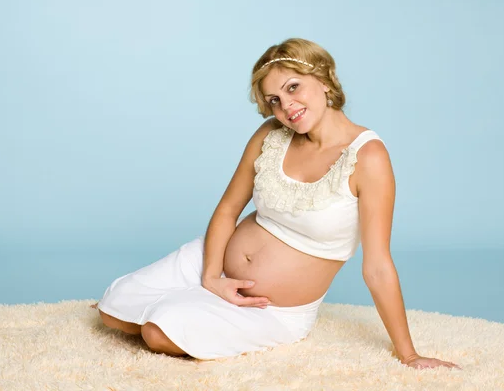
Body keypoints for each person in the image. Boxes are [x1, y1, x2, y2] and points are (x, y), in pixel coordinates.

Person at [92, 38, 460, 370]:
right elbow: (227, 210)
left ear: (325, 80)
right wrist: (211, 277)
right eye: (275, 100)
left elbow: (378, 266)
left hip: (273, 310)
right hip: (213, 264)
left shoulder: (368, 156)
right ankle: (193, 300)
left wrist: (408, 354)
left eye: (293, 88)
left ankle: (184, 309)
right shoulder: (270, 135)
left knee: (156, 332)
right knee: (112, 308)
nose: (287, 106)